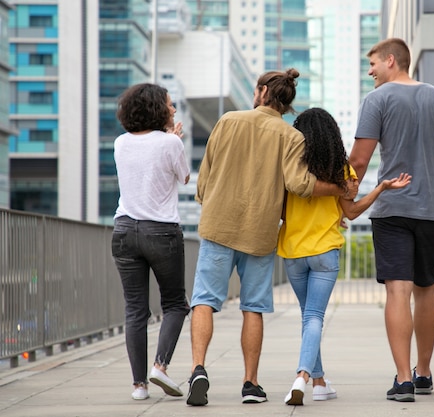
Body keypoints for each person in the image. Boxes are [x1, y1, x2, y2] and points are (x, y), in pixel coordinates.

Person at [187, 69, 358, 407]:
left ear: (262, 91)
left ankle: (197, 369)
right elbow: (300, 185)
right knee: (253, 307)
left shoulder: (228, 121)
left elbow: (203, 182)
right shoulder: (289, 136)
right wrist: (340, 188)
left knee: (204, 301)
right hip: (260, 234)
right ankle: (250, 383)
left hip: (218, 228)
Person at [349, 38, 434, 403]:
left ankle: (403, 380)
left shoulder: (377, 100)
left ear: (391, 61)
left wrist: (344, 203)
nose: (370, 71)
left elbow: (358, 161)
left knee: (398, 291)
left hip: (392, 209)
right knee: (427, 290)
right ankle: (424, 373)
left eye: (373, 64)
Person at [279, 107, 411, 406]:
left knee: (308, 316)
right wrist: (381, 188)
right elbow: (351, 211)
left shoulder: (290, 167)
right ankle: (303, 376)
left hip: (292, 251)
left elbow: (280, 208)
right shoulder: (340, 169)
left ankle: (320, 382)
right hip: (325, 251)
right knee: (313, 316)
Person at [111, 83, 191, 401]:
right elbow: (184, 177)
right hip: (161, 232)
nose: (173, 110)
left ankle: (138, 386)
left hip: (123, 231)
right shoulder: (170, 144)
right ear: (158, 109)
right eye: (170, 105)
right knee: (175, 304)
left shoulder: (120, 143)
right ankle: (160, 365)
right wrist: (174, 139)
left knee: (135, 311)